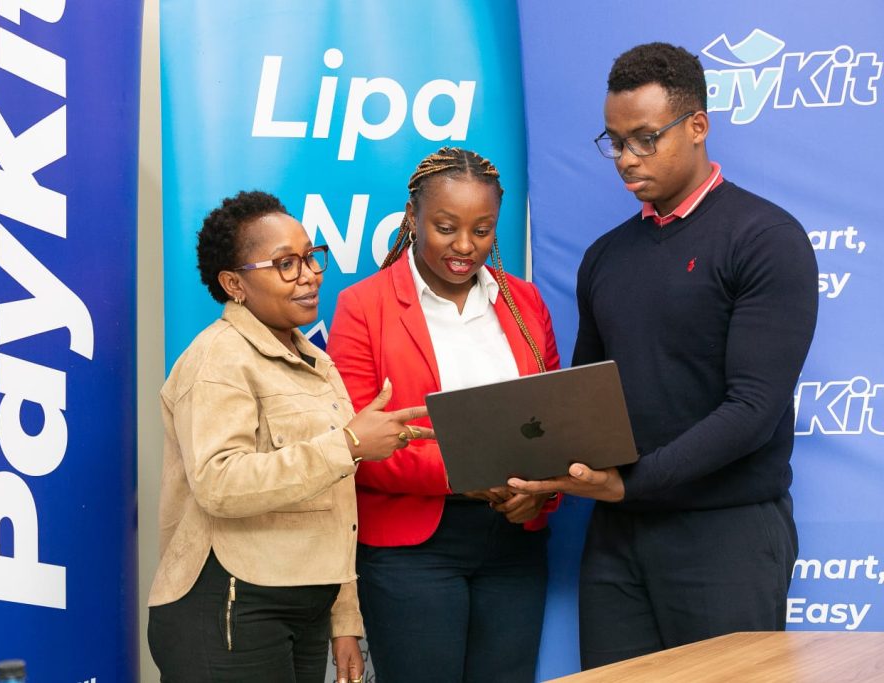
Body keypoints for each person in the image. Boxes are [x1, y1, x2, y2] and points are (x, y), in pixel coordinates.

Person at [508, 43, 819, 668]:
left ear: (697, 125)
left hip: (726, 533)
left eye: (645, 139)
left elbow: (753, 410)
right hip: (618, 535)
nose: (627, 159)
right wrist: (540, 480)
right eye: (616, 141)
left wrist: (631, 483)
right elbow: (586, 400)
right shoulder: (605, 256)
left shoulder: (766, 239)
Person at [147, 190, 436, 683]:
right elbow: (219, 483)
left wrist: (344, 620)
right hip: (232, 604)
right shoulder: (219, 357)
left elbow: (336, 505)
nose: (309, 275)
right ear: (234, 283)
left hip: (304, 608)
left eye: (310, 256)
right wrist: (348, 444)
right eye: (285, 264)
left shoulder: (316, 361)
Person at [327, 147, 562, 682]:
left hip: (514, 540)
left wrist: (543, 492)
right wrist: (468, 476)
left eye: (482, 230)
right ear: (412, 218)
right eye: (446, 227)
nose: (464, 246)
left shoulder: (525, 302)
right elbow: (357, 446)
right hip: (412, 552)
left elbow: (553, 422)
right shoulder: (364, 307)